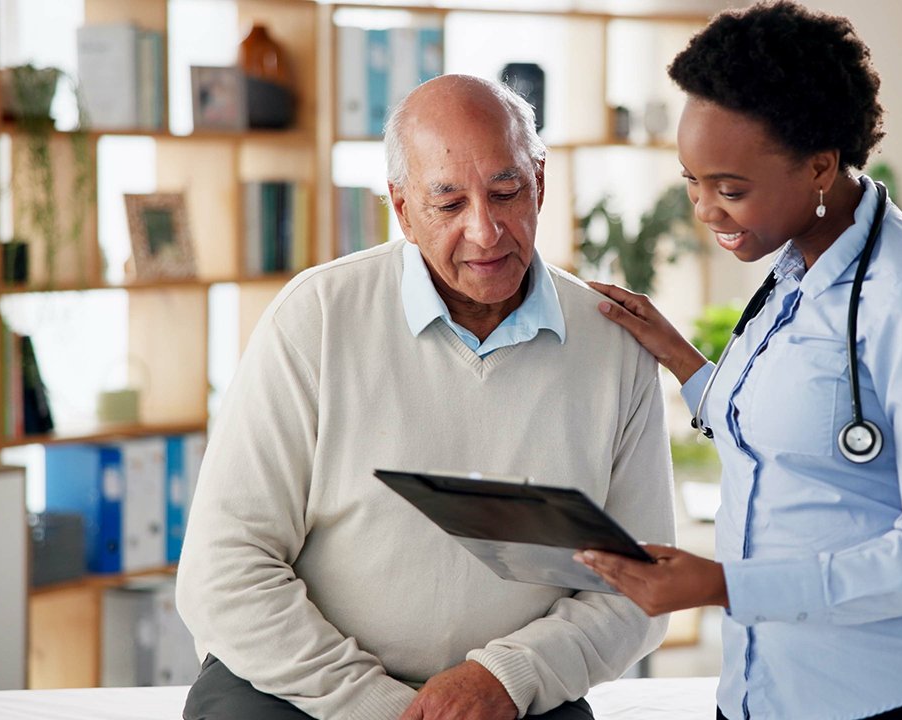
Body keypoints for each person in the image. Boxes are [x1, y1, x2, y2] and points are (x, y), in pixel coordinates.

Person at [578, 3, 902, 719]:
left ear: (820, 164)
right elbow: (788, 439)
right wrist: (681, 359)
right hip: (769, 692)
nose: (704, 210)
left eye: (730, 189)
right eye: (692, 181)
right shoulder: (796, 269)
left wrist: (727, 586)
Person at [176, 75, 675, 720]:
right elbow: (224, 572)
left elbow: (637, 585)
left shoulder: (613, 344)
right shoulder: (317, 317)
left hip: (511, 695)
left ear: (541, 183)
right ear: (403, 208)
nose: (486, 231)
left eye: (506, 192)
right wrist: (380, 707)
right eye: (448, 204)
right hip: (300, 688)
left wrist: (505, 677)